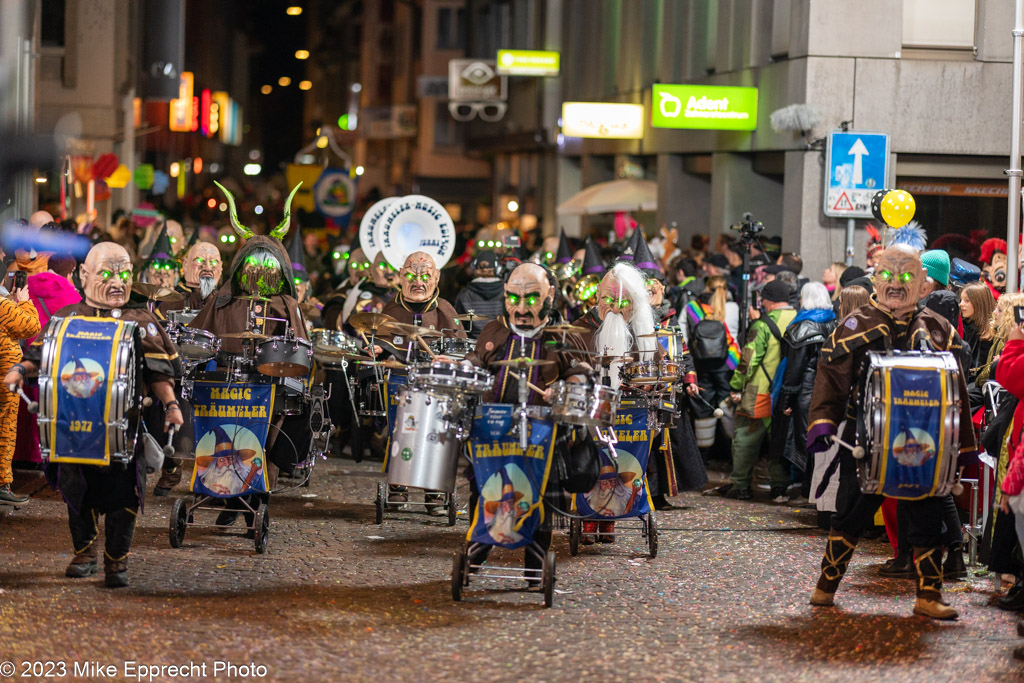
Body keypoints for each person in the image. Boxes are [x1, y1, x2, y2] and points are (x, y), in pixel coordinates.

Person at [806, 244, 977, 620]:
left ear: (922, 283)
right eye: (887, 275)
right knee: (852, 512)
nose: (895, 284)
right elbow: (832, 377)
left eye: (905, 277)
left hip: (924, 440)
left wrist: (961, 443)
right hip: (863, 436)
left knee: (929, 512)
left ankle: (928, 595)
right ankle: (825, 586)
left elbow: (956, 389)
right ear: (875, 278)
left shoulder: (938, 328)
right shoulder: (855, 325)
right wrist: (823, 421)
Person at [5, 242, 183, 586]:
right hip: (73, 426)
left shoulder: (140, 321)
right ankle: (84, 553)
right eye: (106, 273)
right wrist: (19, 369)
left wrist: (172, 404)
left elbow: (160, 373)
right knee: (77, 490)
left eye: (124, 274)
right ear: (84, 275)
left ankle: (117, 562)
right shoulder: (67, 317)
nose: (117, 282)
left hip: (122, 428)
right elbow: (40, 354)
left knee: (122, 494)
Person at [464, 262, 589, 574]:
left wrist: (563, 388)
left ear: (550, 297)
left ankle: (535, 565)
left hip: (543, 435)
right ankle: (477, 550)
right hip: (494, 431)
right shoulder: (495, 331)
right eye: (513, 298)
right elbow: (476, 361)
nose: (520, 308)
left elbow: (582, 376)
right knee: (483, 489)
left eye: (532, 298)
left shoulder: (563, 337)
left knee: (540, 495)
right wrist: (462, 367)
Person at [722, 279, 796, 499]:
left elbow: (748, 361)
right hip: (789, 394)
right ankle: (780, 487)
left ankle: (741, 485)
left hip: (760, 392)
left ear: (769, 301)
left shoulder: (763, 325)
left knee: (746, 438)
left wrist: (735, 386)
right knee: (780, 440)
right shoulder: (799, 320)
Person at [769, 282, 836, 504]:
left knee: (805, 442)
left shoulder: (802, 327)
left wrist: (786, 400)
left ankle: (809, 490)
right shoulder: (835, 324)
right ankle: (817, 490)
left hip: (805, 394)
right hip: (827, 391)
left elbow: (794, 369)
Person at [0, 275, 42, 505]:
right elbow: (31, 327)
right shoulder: (3, 305)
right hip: (4, 380)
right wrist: (24, 301)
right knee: (4, 431)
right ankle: (1, 485)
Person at [378, 252, 465, 361]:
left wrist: (449, 360)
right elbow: (381, 343)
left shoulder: (445, 308)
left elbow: (459, 350)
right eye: (410, 276)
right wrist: (379, 349)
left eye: (425, 277)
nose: (418, 283)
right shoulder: (391, 309)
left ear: (436, 277)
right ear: (401, 276)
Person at [454, 250, 504, 337]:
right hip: (501, 345)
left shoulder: (464, 294)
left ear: (473, 268)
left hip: (474, 347)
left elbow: (457, 325)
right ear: (498, 269)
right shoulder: (507, 293)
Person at [959, 281, 996, 383]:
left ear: (979, 303)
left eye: (967, 301)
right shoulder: (963, 326)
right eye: (961, 300)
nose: (961, 304)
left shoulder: (989, 335)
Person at [180, 240, 224, 310]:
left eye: (214, 262)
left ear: (221, 267)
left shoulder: (226, 304)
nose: (208, 268)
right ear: (185, 265)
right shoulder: (174, 302)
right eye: (199, 261)